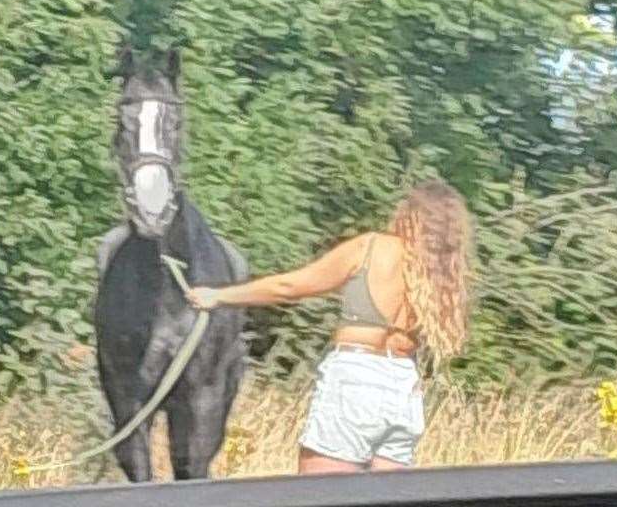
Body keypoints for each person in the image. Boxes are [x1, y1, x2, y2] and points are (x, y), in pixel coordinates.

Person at [186, 179, 474, 474]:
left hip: (355, 379)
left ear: (409, 215)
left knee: (321, 494)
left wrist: (218, 296)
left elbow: (289, 286)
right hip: (404, 388)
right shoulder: (437, 277)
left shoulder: (372, 247)